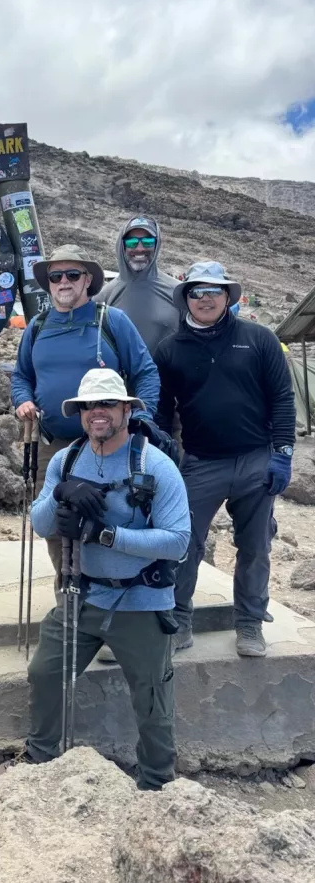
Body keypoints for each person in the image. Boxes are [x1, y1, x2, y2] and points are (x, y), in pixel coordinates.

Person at [0, 369, 190, 792]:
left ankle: (157, 783)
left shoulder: (155, 464)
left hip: (141, 602)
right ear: (79, 414)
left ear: (127, 410)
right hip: (82, 596)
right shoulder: (67, 459)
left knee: (152, 696)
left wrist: (108, 535)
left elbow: (178, 542)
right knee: (45, 672)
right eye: (88, 406)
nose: (97, 413)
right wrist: (60, 493)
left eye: (107, 404)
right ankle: (40, 756)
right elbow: (41, 523)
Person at [155, 261, 296, 658]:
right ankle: (179, 617)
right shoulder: (170, 349)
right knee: (183, 543)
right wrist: (167, 455)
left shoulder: (259, 339)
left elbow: (283, 398)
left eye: (214, 291)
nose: (205, 298)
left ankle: (250, 623)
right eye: (197, 291)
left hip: (256, 459)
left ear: (227, 296)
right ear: (185, 298)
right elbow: (163, 411)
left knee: (255, 546)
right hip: (200, 462)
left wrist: (282, 454)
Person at [11, 243, 165, 585]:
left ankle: (107, 592)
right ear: (48, 283)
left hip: (107, 442)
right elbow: (22, 376)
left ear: (87, 281)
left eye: (72, 274)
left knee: (110, 516)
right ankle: (67, 590)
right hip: (54, 443)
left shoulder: (111, 320)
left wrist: (143, 418)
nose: (63, 281)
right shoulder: (36, 327)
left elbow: (145, 372)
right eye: (55, 276)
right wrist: (22, 400)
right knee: (53, 521)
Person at [96, 216, 180, 356]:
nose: (140, 248)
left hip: (167, 377)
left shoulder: (177, 292)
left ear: (157, 244)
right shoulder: (104, 295)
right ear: (122, 245)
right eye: (132, 242)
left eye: (147, 242)